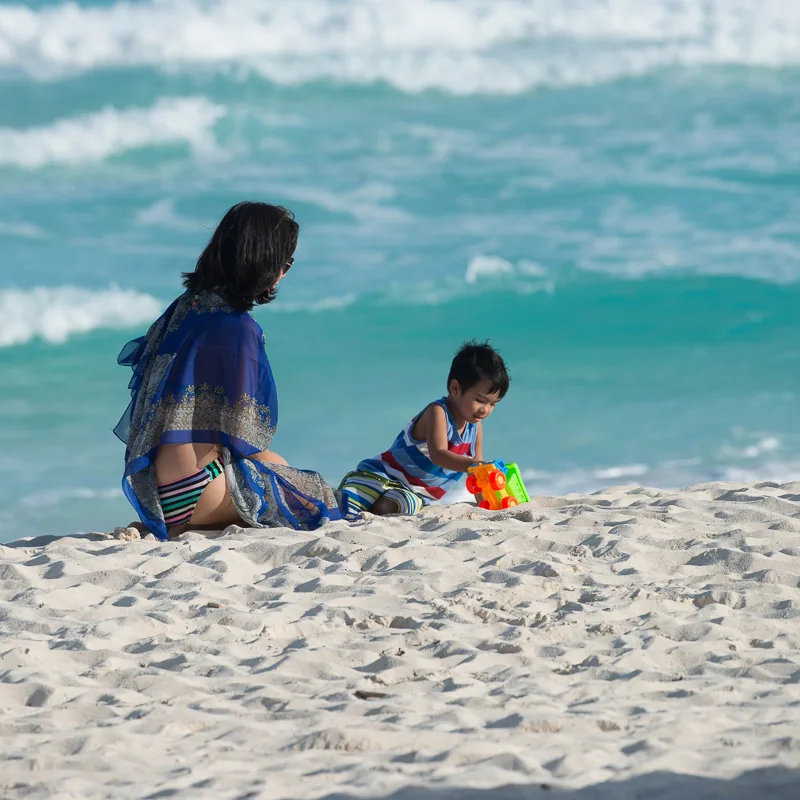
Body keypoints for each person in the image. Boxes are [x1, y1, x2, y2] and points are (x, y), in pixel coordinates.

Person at [114, 201, 352, 541]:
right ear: (263, 261)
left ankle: (186, 521)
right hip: (199, 487)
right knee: (315, 494)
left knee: (282, 471)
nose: (286, 270)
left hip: (156, 486)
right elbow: (246, 436)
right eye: (285, 261)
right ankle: (199, 517)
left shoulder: (186, 306)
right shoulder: (240, 328)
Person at [339, 341, 510, 515]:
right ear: (455, 388)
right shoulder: (437, 412)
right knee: (350, 503)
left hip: (415, 492)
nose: (485, 410)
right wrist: (474, 464)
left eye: (493, 404)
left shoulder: (475, 427)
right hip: (384, 474)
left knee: (389, 508)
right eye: (480, 400)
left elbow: (477, 473)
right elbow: (439, 454)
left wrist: (487, 503)